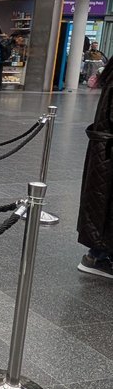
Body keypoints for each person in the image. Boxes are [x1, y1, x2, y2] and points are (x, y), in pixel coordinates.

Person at [77, 55, 113, 280]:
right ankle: (99, 256)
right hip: (107, 152)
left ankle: (100, 253)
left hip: (105, 151)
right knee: (105, 207)